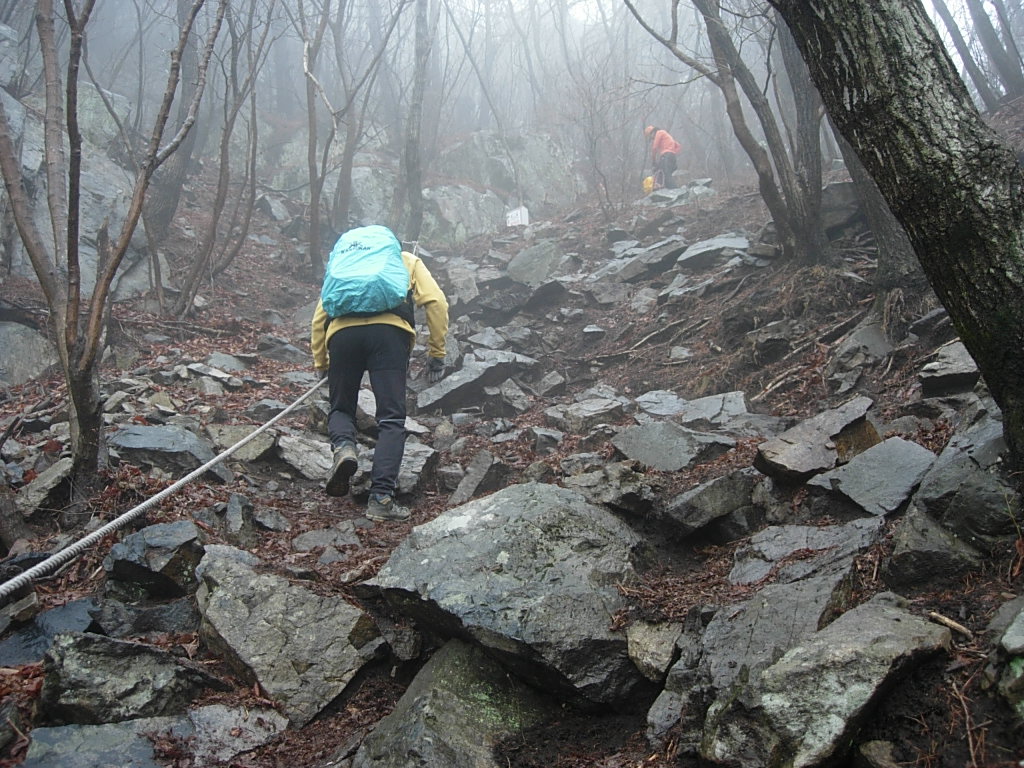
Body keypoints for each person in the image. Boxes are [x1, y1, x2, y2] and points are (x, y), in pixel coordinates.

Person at [311, 228, 449, 522]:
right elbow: (436, 302)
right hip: (389, 336)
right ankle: (381, 499)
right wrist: (437, 353)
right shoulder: (406, 260)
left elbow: (319, 316)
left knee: (341, 408)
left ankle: (346, 448)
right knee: (391, 418)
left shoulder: (345, 267)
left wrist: (321, 361)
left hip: (343, 335)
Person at [644, 125, 681, 189]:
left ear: (652, 132)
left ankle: (675, 191)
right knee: (662, 173)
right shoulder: (665, 134)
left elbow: (654, 148)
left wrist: (653, 160)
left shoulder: (659, 132)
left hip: (666, 155)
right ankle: (666, 190)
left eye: (651, 137)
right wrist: (672, 152)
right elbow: (678, 145)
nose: (652, 139)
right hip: (671, 156)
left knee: (665, 175)